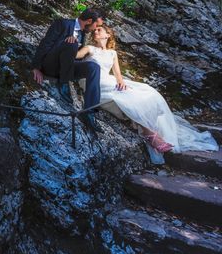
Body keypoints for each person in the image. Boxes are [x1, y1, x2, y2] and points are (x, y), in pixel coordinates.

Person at [76, 24, 218, 161]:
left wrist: (122, 83)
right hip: (93, 81)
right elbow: (76, 56)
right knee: (125, 99)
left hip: (109, 80)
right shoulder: (89, 48)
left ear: (108, 34)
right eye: (95, 30)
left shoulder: (113, 53)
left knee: (145, 93)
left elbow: (118, 74)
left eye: (99, 30)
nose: (95, 32)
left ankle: (150, 131)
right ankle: (150, 134)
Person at [32, 8, 104, 132]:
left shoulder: (83, 34)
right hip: (51, 65)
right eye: (96, 25)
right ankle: (63, 83)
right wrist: (36, 67)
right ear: (89, 21)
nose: (94, 29)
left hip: (68, 67)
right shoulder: (62, 24)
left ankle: (89, 112)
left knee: (94, 67)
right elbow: (46, 44)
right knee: (72, 43)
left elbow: (76, 58)